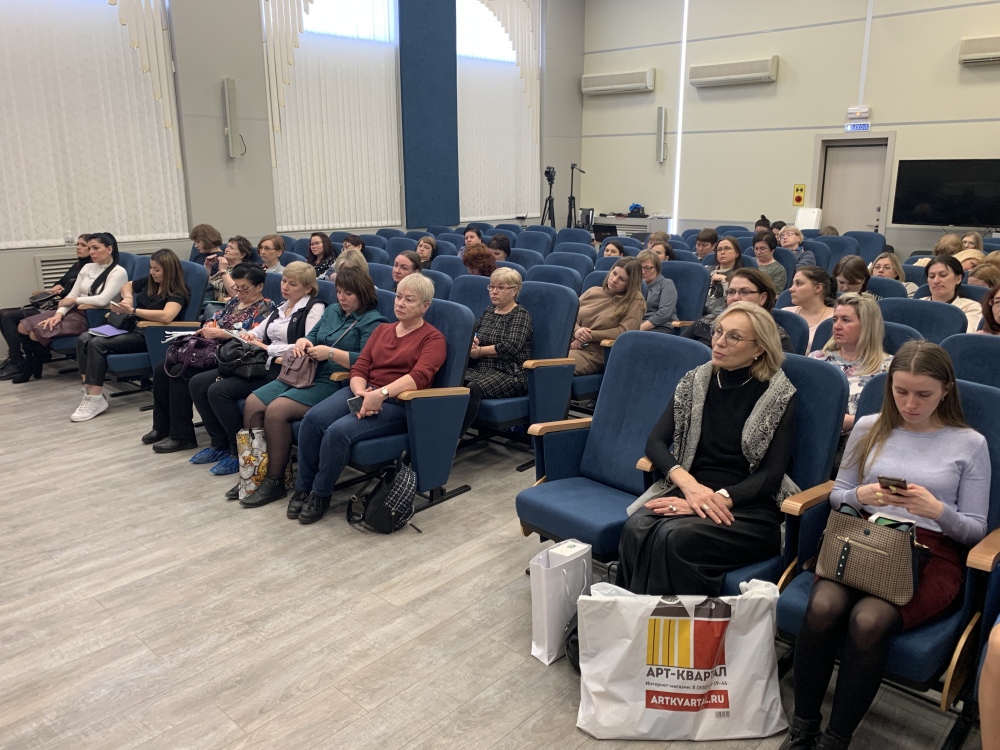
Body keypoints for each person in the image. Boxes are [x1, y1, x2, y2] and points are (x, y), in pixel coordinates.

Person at [787, 341, 989, 750]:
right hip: (865, 535)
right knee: (824, 607)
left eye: (923, 394)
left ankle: (835, 740)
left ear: (946, 391)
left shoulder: (969, 443)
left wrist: (937, 511)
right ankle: (802, 728)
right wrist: (860, 496)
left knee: (869, 620)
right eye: (901, 392)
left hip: (931, 551)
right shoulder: (869, 427)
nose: (910, 404)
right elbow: (837, 496)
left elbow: (974, 532)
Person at [617, 302, 797, 596]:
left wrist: (710, 501)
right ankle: (634, 617)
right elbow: (655, 442)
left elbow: (771, 474)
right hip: (694, 488)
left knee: (674, 537)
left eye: (734, 337)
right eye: (718, 331)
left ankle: (674, 624)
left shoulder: (779, 394)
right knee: (635, 529)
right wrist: (689, 487)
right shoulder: (696, 380)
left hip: (748, 505)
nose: (719, 342)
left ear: (759, 349)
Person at [286, 274, 447, 521]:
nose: (400, 303)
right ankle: (303, 488)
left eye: (409, 300)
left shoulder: (433, 338)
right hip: (365, 390)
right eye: (398, 297)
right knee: (312, 420)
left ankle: (321, 493)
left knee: (338, 432)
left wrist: (381, 394)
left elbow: (419, 377)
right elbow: (361, 365)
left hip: (399, 403)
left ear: (425, 306)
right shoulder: (383, 330)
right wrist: (361, 391)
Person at [239, 267, 388, 514]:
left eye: (348, 293)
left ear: (363, 293)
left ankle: (275, 480)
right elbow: (313, 336)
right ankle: (255, 473)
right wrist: (303, 342)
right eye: (339, 291)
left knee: (276, 411)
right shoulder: (332, 311)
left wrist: (330, 353)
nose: (341, 297)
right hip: (304, 371)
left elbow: (366, 360)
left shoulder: (373, 321)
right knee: (253, 403)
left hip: (332, 380)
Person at [190, 262, 325, 478]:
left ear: (307, 288)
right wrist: (249, 335)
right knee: (197, 383)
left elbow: (306, 345)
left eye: (293, 284)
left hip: (283, 370)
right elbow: (258, 332)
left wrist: (268, 348)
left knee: (219, 391)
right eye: (284, 281)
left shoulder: (314, 308)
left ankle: (236, 452)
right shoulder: (282, 306)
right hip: (259, 362)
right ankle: (219, 443)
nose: (285, 287)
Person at [146, 264, 275, 453]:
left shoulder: (266, 307)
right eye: (237, 287)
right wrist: (209, 327)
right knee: (162, 368)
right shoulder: (234, 302)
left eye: (245, 288)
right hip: (211, 349)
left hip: (233, 356)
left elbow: (253, 336)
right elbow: (215, 317)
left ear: (259, 286)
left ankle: (182, 435)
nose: (239, 292)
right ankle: (161, 426)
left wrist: (223, 333)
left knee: (180, 372)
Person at [71, 248, 189, 422]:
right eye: (151, 268)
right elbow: (127, 285)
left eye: (157, 270)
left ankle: (95, 399)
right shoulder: (151, 281)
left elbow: (166, 316)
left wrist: (133, 310)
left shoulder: (177, 292)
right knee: (84, 338)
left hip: (149, 334)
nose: (152, 272)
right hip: (131, 328)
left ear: (169, 270)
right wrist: (127, 298)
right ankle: (90, 391)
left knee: (97, 344)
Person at [15, 232, 128, 384]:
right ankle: (33, 363)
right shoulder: (88, 267)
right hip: (74, 310)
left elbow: (102, 300)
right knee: (22, 327)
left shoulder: (118, 272)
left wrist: (75, 300)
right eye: (90, 248)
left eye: (96, 248)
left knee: (35, 333)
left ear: (109, 249)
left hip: (93, 315)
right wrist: (58, 315)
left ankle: (33, 364)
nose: (91, 252)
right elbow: (72, 294)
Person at [0, 234, 91, 380]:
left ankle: (18, 361)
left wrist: (63, 292)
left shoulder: (90, 268)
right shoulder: (77, 265)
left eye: (83, 245)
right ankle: (15, 358)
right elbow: (63, 281)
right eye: (78, 244)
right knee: (2, 313)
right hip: (57, 304)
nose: (78, 248)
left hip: (64, 307)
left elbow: (76, 293)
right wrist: (58, 285)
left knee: (7, 316)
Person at [460, 267, 533, 435]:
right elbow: (477, 333)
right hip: (481, 367)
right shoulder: (489, 311)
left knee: (473, 388)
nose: (494, 291)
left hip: (509, 372)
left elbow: (510, 347)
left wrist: (479, 351)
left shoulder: (520, 315)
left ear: (514, 290)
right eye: (491, 287)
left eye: (500, 287)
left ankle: (453, 438)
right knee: (454, 381)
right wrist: (474, 341)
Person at [809, 293, 892, 441]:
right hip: (814, 436)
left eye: (846, 320)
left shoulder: (889, 368)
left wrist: (854, 421)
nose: (837, 326)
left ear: (867, 325)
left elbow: (895, 417)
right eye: (835, 320)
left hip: (862, 442)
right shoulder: (816, 360)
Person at [682, 268, 794, 354]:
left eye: (744, 292)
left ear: (763, 298)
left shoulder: (775, 338)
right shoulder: (707, 321)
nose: (735, 298)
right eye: (731, 292)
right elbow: (676, 349)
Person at [568, 258, 645, 375]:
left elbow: (623, 332)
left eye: (622, 279)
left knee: (553, 365)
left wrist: (587, 336)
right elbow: (568, 315)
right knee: (543, 356)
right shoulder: (593, 291)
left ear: (631, 283)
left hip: (595, 353)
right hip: (569, 344)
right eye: (614, 273)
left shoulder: (635, 301)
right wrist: (576, 331)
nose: (614, 280)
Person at [923, 255, 982, 333]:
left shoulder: (971, 308)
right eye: (932, 276)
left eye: (943, 275)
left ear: (958, 279)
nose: (936, 281)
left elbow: (964, 336)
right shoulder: (918, 304)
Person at [782, 266, 836, 351]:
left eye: (798, 283)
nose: (791, 289)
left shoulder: (835, 319)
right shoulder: (785, 313)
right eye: (793, 283)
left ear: (818, 288)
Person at [636, 249, 677, 333]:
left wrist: (639, 328)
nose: (643, 272)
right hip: (637, 326)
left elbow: (664, 313)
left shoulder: (666, 284)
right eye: (639, 268)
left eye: (647, 268)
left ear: (657, 269)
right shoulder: (635, 285)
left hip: (661, 326)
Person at [704, 236, 744, 315]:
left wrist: (725, 280)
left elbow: (735, 302)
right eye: (719, 250)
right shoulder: (706, 270)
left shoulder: (741, 275)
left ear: (737, 253)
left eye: (727, 248)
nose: (722, 252)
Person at [208, 236, 254, 302]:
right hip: (208, 299)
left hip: (220, 304)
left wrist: (223, 271)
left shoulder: (244, 271)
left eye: (231, 248)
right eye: (227, 246)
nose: (226, 249)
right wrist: (208, 266)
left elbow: (235, 294)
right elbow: (206, 284)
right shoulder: (227, 266)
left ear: (242, 255)